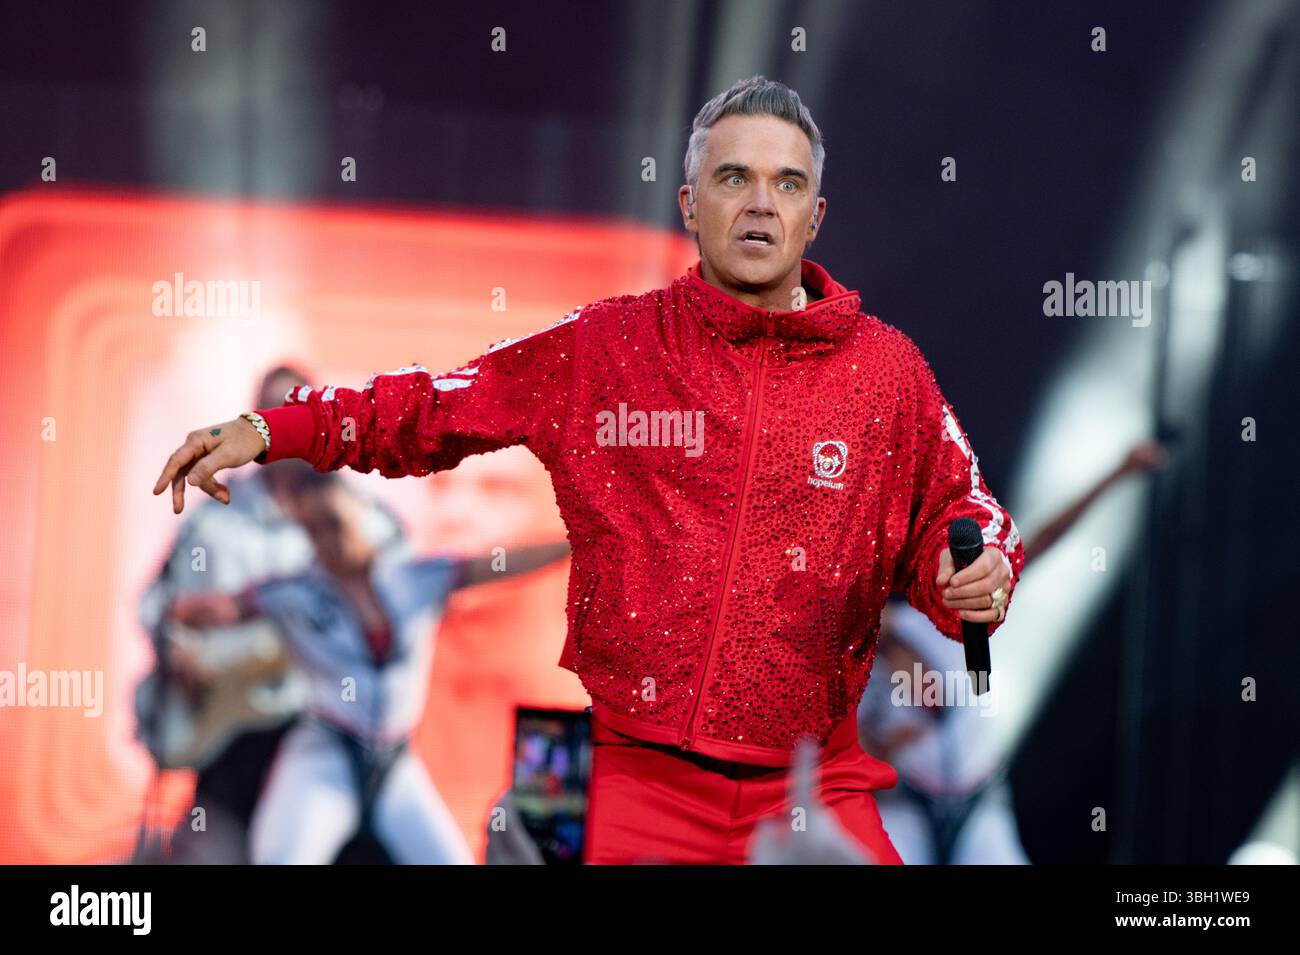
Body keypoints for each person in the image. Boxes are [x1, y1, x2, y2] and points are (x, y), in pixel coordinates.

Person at [152, 76, 1024, 864]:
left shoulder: (887, 375)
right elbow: (433, 406)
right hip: (627, 769)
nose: (761, 204)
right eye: (735, 179)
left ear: (815, 215)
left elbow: (965, 514)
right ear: (690, 204)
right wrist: (278, 428)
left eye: (787, 184)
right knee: (510, 838)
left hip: (806, 784)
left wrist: (977, 570)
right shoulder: (606, 348)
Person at [169, 467, 572, 864]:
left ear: (357, 514)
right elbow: (217, 609)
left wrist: (573, 543)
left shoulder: (414, 578)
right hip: (327, 752)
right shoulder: (295, 592)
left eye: (336, 521)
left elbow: (506, 564)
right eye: (319, 528)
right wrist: (183, 630)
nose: (333, 538)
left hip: (394, 760)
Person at [135, 364, 404, 863]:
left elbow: (398, 601)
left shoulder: (357, 519)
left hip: (326, 746)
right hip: (227, 750)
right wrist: (175, 646)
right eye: (264, 416)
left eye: (289, 415)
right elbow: (157, 603)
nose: (273, 427)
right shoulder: (216, 516)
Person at [858, 441, 1167, 864]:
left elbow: (1041, 539)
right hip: (907, 803)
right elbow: (855, 747)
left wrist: (1118, 474)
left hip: (977, 798)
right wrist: (880, 747)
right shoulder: (860, 646)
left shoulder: (955, 611)